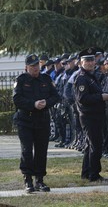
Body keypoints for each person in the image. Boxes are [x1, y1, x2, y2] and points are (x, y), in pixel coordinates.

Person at [13, 54, 60, 193]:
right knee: (27, 151)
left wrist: (46, 103)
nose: (35, 68)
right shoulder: (21, 80)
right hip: (25, 120)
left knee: (41, 151)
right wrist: (33, 104)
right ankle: (28, 180)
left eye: (37, 65)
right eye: (32, 66)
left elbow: (56, 96)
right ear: (26, 67)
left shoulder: (45, 79)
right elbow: (16, 99)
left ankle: (39, 180)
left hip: (42, 119)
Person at [74, 54, 108, 182]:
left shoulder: (91, 77)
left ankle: (86, 172)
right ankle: (94, 174)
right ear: (81, 63)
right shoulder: (82, 78)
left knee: (90, 145)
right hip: (89, 116)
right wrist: (101, 97)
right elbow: (83, 99)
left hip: (95, 114)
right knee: (95, 145)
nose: (90, 63)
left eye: (92, 60)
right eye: (87, 61)